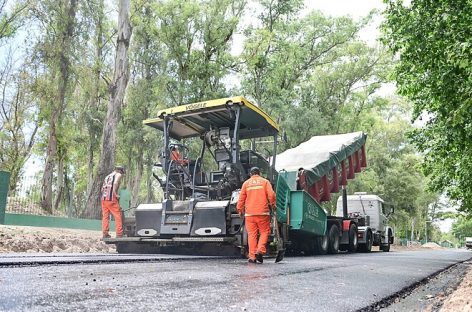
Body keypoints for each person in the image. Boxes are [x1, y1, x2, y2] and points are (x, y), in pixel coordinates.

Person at [237, 167, 276, 264]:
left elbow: (241, 199)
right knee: (264, 232)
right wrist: (273, 205)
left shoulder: (246, 183)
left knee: (252, 235)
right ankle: (260, 250)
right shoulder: (265, 182)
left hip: (249, 214)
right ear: (259, 173)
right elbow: (271, 195)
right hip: (263, 212)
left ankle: (252, 257)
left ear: (251, 174)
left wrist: (240, 210)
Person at [101, 165, 125, 238]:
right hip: (111, 199)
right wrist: (115, 193)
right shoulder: (118, 174)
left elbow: (102, 189)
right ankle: (119, 234)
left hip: (104, 199)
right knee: (118, 215)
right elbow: (115, 183)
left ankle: (105, 233)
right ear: (120, 171)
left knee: (105, 216)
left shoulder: (107, 176)